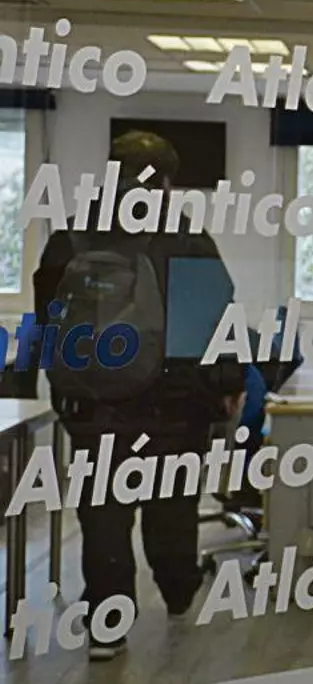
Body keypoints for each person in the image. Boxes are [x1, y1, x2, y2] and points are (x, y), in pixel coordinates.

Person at [31, 130, 245, 661]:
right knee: (171, 506)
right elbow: (215, 323)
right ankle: (176, 590)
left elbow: (47, 321)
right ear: (167, 182)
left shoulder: (70, 237)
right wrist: (228, 387)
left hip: (92, 407)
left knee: (103, 514)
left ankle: (107, 628)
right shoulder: (185, 239)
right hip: (173, 405)